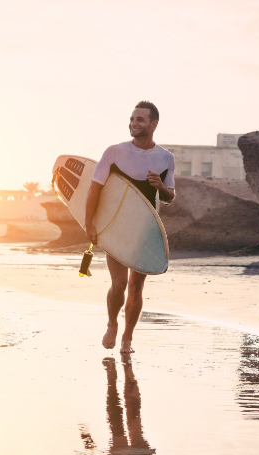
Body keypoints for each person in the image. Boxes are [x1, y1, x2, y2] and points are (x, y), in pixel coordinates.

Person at [84, 101, 176, 355]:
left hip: (146, 229)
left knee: (137, 286)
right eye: (132, 119)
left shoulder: (166, 158)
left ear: (153, 124)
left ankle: (127, 338)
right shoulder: (114, 152)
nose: (134, 124)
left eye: (140, 120)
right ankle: (112, 323)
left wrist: (161, 187)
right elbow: (94, 188)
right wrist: (89, 223)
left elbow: (170, 196)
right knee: (119, 284)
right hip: (116, 225)